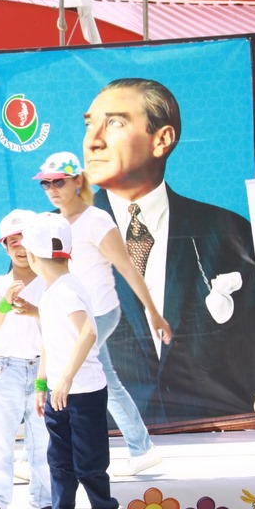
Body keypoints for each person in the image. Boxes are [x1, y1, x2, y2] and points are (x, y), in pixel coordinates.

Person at [83, 77, 255, 423]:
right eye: (90, 125)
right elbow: (18, 336)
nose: (93, 142)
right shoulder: (58, 234)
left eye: (115, 123)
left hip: (214, 432)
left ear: (162, 139)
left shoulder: (227, 231)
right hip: (102, 436)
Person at [35, 151, 171, 476]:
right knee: (104, 379)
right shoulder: (52, 222)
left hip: (98, 314)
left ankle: (50, 456)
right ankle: (141, 448)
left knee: (73, 374)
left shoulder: (97, 221)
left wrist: (153, 312)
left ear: (77, 181)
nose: (51, 188)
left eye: (58, 181)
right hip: (74, 314)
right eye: (45, 183)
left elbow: (127, 268)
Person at [21, 211, 123, 509]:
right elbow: (52, 342)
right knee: (60, 461)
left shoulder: (66, 289)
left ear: (33, 257)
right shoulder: (53, 292)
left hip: (83, 394)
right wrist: (43, 384)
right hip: (59, 393)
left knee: (89, 462)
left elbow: (87, 332)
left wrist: (64, 380)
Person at [0, 209, 53, 509]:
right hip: (3, 367)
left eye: (25, 240)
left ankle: (43, 501)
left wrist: (35, 311)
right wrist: (5, 304)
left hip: (42, 367)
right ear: (5, 247)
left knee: (44, 437)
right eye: (13, 242)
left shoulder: (52, 281)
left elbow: (59, 325)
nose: (20, 248)